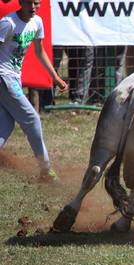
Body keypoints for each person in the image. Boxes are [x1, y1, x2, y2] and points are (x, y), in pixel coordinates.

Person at [0, 0, 68, 181]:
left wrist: (56, 77)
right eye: (29, 3)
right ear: (21, 3)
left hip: (13, 78)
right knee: (32, 119)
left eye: (36, 3)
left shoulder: (37, 22)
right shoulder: (8, 23)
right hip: (4, 78)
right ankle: (45, 170)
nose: (33, 7)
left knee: (5, 125)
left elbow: (40, 52)